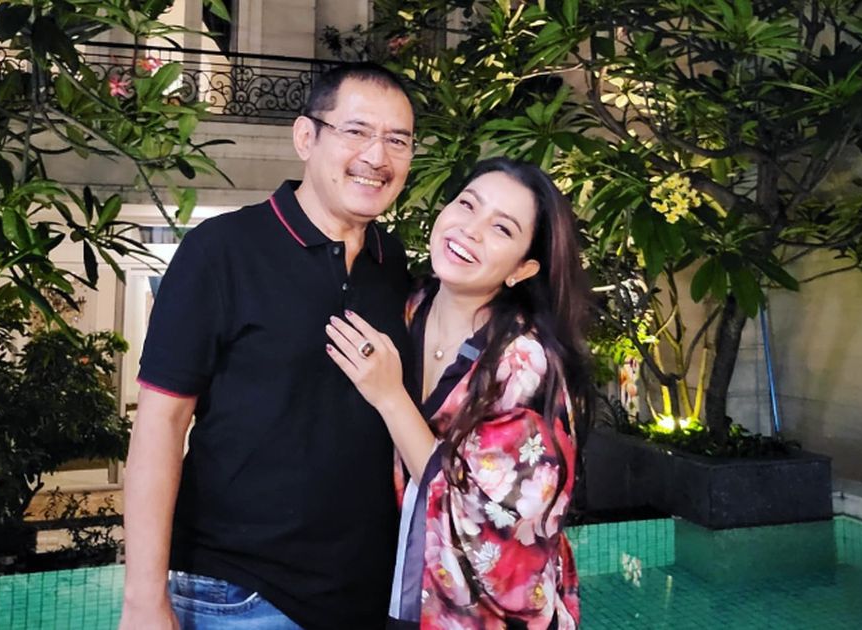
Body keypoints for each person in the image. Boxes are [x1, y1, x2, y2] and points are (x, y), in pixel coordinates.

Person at [118, 63, 416, 630]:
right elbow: (160, 423)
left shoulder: (392, 262)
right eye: (356, 131)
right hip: (241, 594)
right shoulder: (222, 250)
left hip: (363, 594)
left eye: (397, 140)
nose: (377, 156)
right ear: (306, 137)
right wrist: (143, 600)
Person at [325, 157, 590, 628]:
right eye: (467, 204)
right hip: (375, 588)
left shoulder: (522, 362)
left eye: (501, 228)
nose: (470, 229)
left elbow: (497, 525)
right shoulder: (407, 307)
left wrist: (390, 397)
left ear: (523, 268)